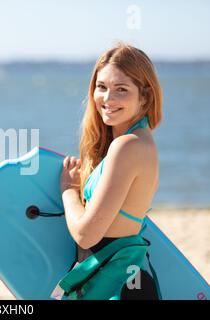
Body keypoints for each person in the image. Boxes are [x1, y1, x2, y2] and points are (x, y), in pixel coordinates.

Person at [57, 43, 162, 300]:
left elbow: (86, 234)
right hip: (123, 276)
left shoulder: (127, 147)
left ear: (145, 96)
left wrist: (69, 191)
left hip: (117, 285)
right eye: (101, 87)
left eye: (121, 90)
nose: (108, 99)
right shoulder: (139, 141)